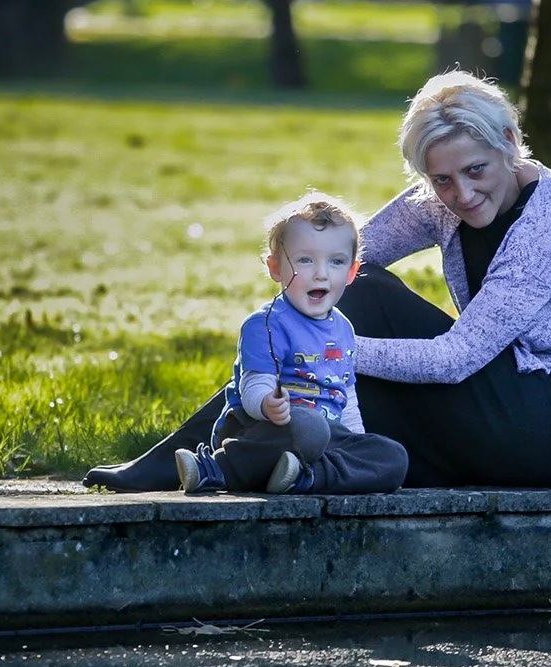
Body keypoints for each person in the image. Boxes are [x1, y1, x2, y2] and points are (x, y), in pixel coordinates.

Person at [85, 70, 551, 492]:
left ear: (510, 141)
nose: (462, 195)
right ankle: (236, 460)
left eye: (476, 171)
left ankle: (187, 456)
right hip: (504, 402)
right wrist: (301, 332)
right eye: (441, 179)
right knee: (349, 282)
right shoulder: (441, 200)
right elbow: (339, 260)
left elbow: (455, 359)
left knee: (360, 298)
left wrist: (328, 350)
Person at [173, 193, 408, 496]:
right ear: (275, 268)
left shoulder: (343, 329)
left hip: (322, 436)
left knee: (393, 456)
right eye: (305, 260)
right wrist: (267, 404)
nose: (321, 273)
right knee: (309, 428)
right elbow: (254, 384)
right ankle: (216, 469)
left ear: (351, 272)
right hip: (263, 428)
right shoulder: (267, 324)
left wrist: (355, 442)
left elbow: (345, 394)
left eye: (336, 262)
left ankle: (305, 478)